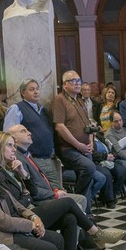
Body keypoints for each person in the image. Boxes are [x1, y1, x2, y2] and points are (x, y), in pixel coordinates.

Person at [0, 131, 124, 250]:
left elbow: (30, 192)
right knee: (68, 203)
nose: (14, 149)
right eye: (9, 145)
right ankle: (95, 232)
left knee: (70, 218)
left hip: (28, 210)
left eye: (14, 145)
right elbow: (21, 200)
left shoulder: (12, 167)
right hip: (22, 217)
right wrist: (26, 195)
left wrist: (23, 174)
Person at [7, 124, 89, 215]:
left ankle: (82, 227)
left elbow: (43, 178)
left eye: (27, 130)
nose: (29, 133)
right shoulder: (18, 159)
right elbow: (30, 189)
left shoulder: (27, 154)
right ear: (14, 138)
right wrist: (55, 195)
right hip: (39, 200)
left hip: (48, 194)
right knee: (77, 204)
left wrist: (55, 190)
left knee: (81, 199)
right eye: (23, 131)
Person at [52, 71, 100, 207]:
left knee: (88, 179)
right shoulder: (59, 99)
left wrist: (90, 142)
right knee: (89, 168)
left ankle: (86, 212)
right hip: (69, 149)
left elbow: (88, 124)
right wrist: (79, 145)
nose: (78, 83)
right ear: (65, 85)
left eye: (79, 80)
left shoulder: (80, 100)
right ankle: (77, 203)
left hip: (85, 147)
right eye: (73, 81)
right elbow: (60, 127)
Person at [3, 78, 59, 188]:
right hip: (32, 159)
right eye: (31, 89)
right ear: (23, 93)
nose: (36, 92)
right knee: (43, 191)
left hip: (48, 159)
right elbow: (8, 135)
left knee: (58, 190)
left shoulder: (43, 110)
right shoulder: (17, 108)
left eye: (37, 89)